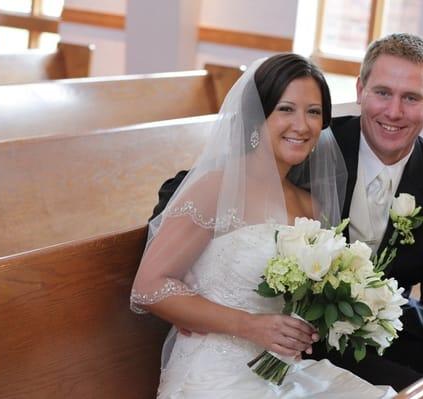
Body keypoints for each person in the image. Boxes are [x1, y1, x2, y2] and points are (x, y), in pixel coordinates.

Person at [131, 53, 396, 398]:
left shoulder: (309, 205)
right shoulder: (217, 187)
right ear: (256, 119)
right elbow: (149, 287)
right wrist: (249, 326)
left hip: (282, 373)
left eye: (313, 112)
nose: (302, 125)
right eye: (286, 109)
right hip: (216, 375)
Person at [306, 33, 423, 390]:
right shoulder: (313, 147)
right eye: (383, 92)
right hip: (302, 338)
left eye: (411, 98)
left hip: (384, 339)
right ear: (360, 90)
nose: (393, 112)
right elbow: (198, 185)